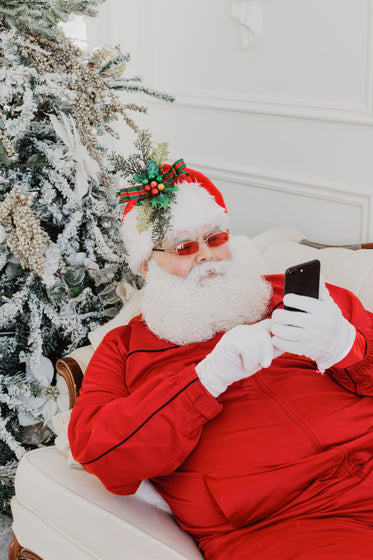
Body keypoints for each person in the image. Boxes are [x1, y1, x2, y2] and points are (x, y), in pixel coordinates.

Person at [68, 161, 373, 560]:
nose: (208, 256)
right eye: (184, 247)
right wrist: (206, 379)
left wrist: (347, 349)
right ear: (147, 264)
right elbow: (102, 453)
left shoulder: (297, 295)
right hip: (289, 522)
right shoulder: (123, 348)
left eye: (215, 237)